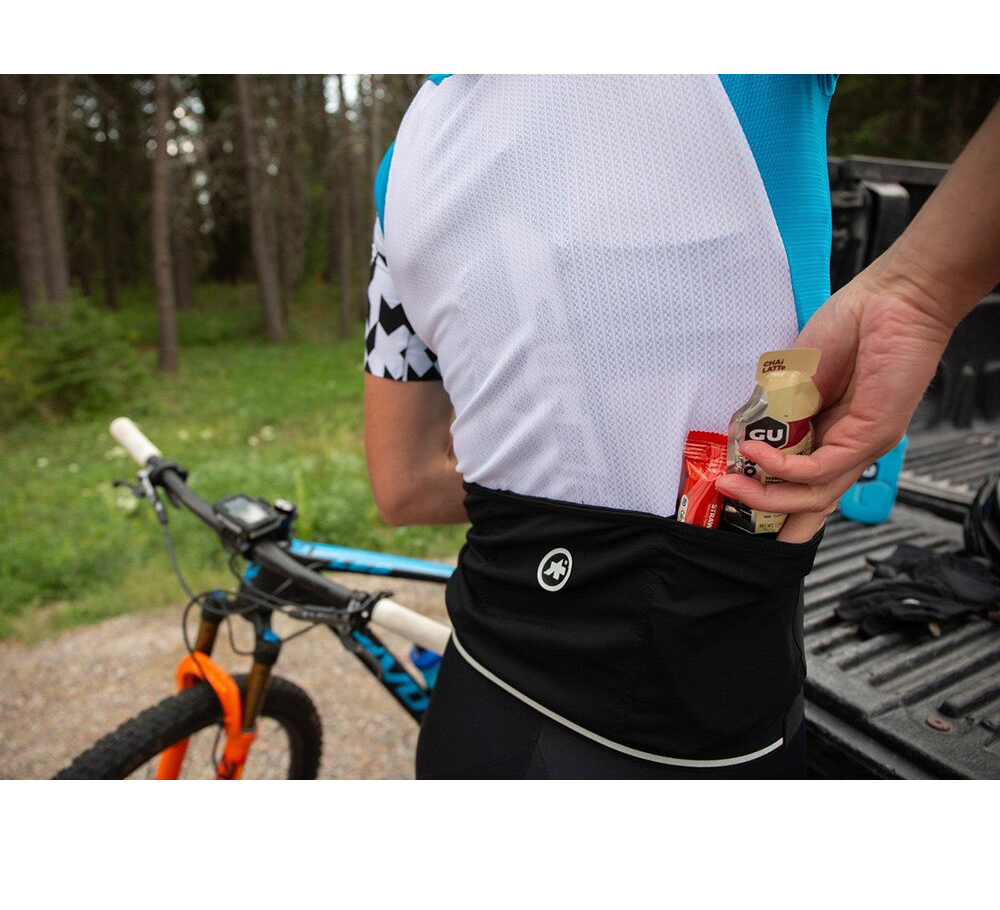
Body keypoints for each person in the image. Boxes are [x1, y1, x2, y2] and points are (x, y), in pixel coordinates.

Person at [363, 75, 1000, 779]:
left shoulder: (405, 159)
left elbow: (405, 484)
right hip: (692, 729)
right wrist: (919, 292)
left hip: (478, 706)